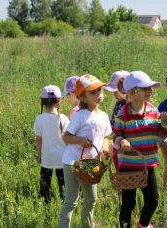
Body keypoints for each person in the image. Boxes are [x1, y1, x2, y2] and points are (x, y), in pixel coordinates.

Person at [113, 71, 167, 228]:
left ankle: (143, 225)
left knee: (153, 200)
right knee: (128, 204)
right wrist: (122, 140)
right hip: (128, 167)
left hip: (147, 166)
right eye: (145, 88)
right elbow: (117, 134)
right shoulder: (123, 113)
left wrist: (165, 122)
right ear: (132, 92)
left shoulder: (153, 111)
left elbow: (161, 134)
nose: (150, 91)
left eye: (150, 88)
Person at [59, 74, 112, 228]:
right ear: (82, 97)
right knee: (71, 200)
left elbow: (106, 136)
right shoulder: (80, 115)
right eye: (93, 92)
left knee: (91, 198)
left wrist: (104, 147)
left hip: (90, 164)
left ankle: (87, 225)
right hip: (73, 162)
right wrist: (80, 141)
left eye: (99, 91)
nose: (98, 94)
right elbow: (66, 137)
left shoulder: (103, 116)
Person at [33, 85, 69, 204]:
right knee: (63, 186)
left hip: (47, 157)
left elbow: (39, 140)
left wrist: (39, 155)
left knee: (44, 185)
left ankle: (45, 204)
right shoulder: (63, 118)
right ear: (59, 101)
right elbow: (68, 139)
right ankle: (65, 204)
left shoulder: (39, 119)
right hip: (62, 158)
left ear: (42, 102)